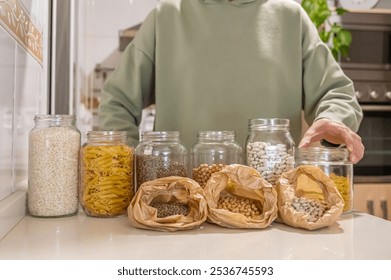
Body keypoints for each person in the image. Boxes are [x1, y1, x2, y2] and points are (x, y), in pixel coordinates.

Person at [99, 0, 364, 163]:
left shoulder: (290, 17)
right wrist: (127, 162)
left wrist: (334, 119)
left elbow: (337, 93)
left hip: (272, 204)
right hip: (179, 203)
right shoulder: (166, 16)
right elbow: (117, 103)